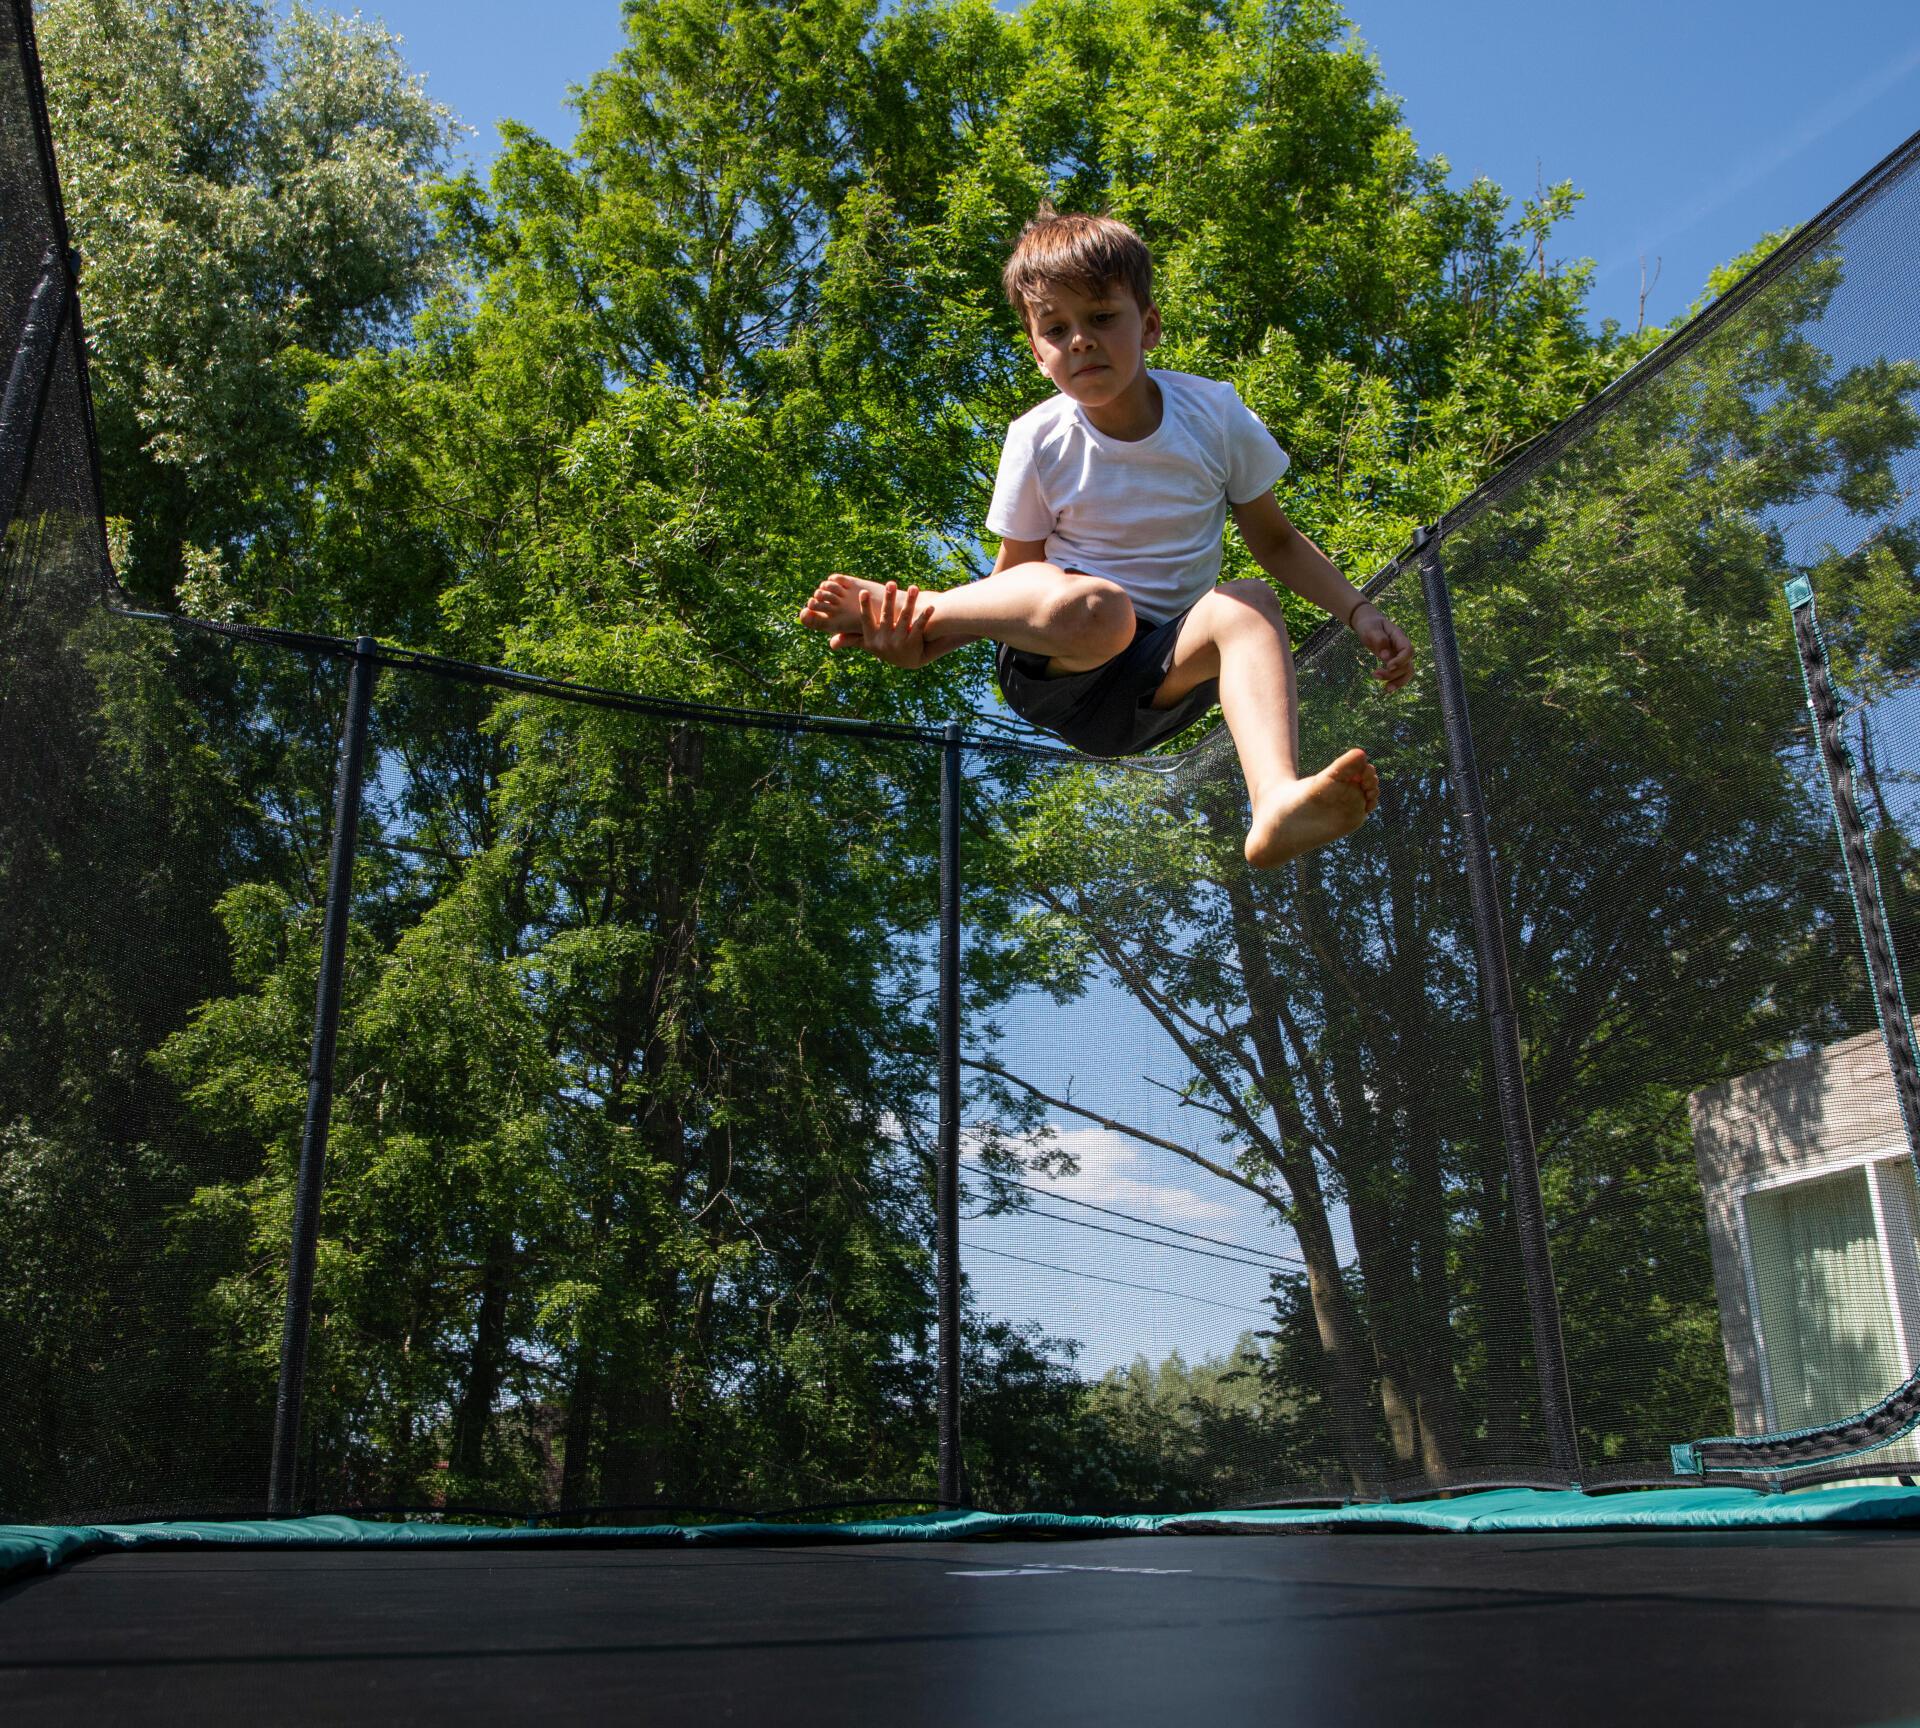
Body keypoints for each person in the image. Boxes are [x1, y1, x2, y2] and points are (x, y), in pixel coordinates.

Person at [800, 209, 1415, 869]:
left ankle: (1275, 801)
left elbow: (1278, 541)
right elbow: (1012, 586)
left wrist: (1357, 608)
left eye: (1100, 318)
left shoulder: (1213, 416)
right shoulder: (1038, 440)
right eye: (1057, 330)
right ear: (1038, 354)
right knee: (1099, 611)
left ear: (1147, 325)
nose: (1081, 342)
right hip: (1057, 665)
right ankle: (921, 610)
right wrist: (928, 646)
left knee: (1249, 600)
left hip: (1149, 685)